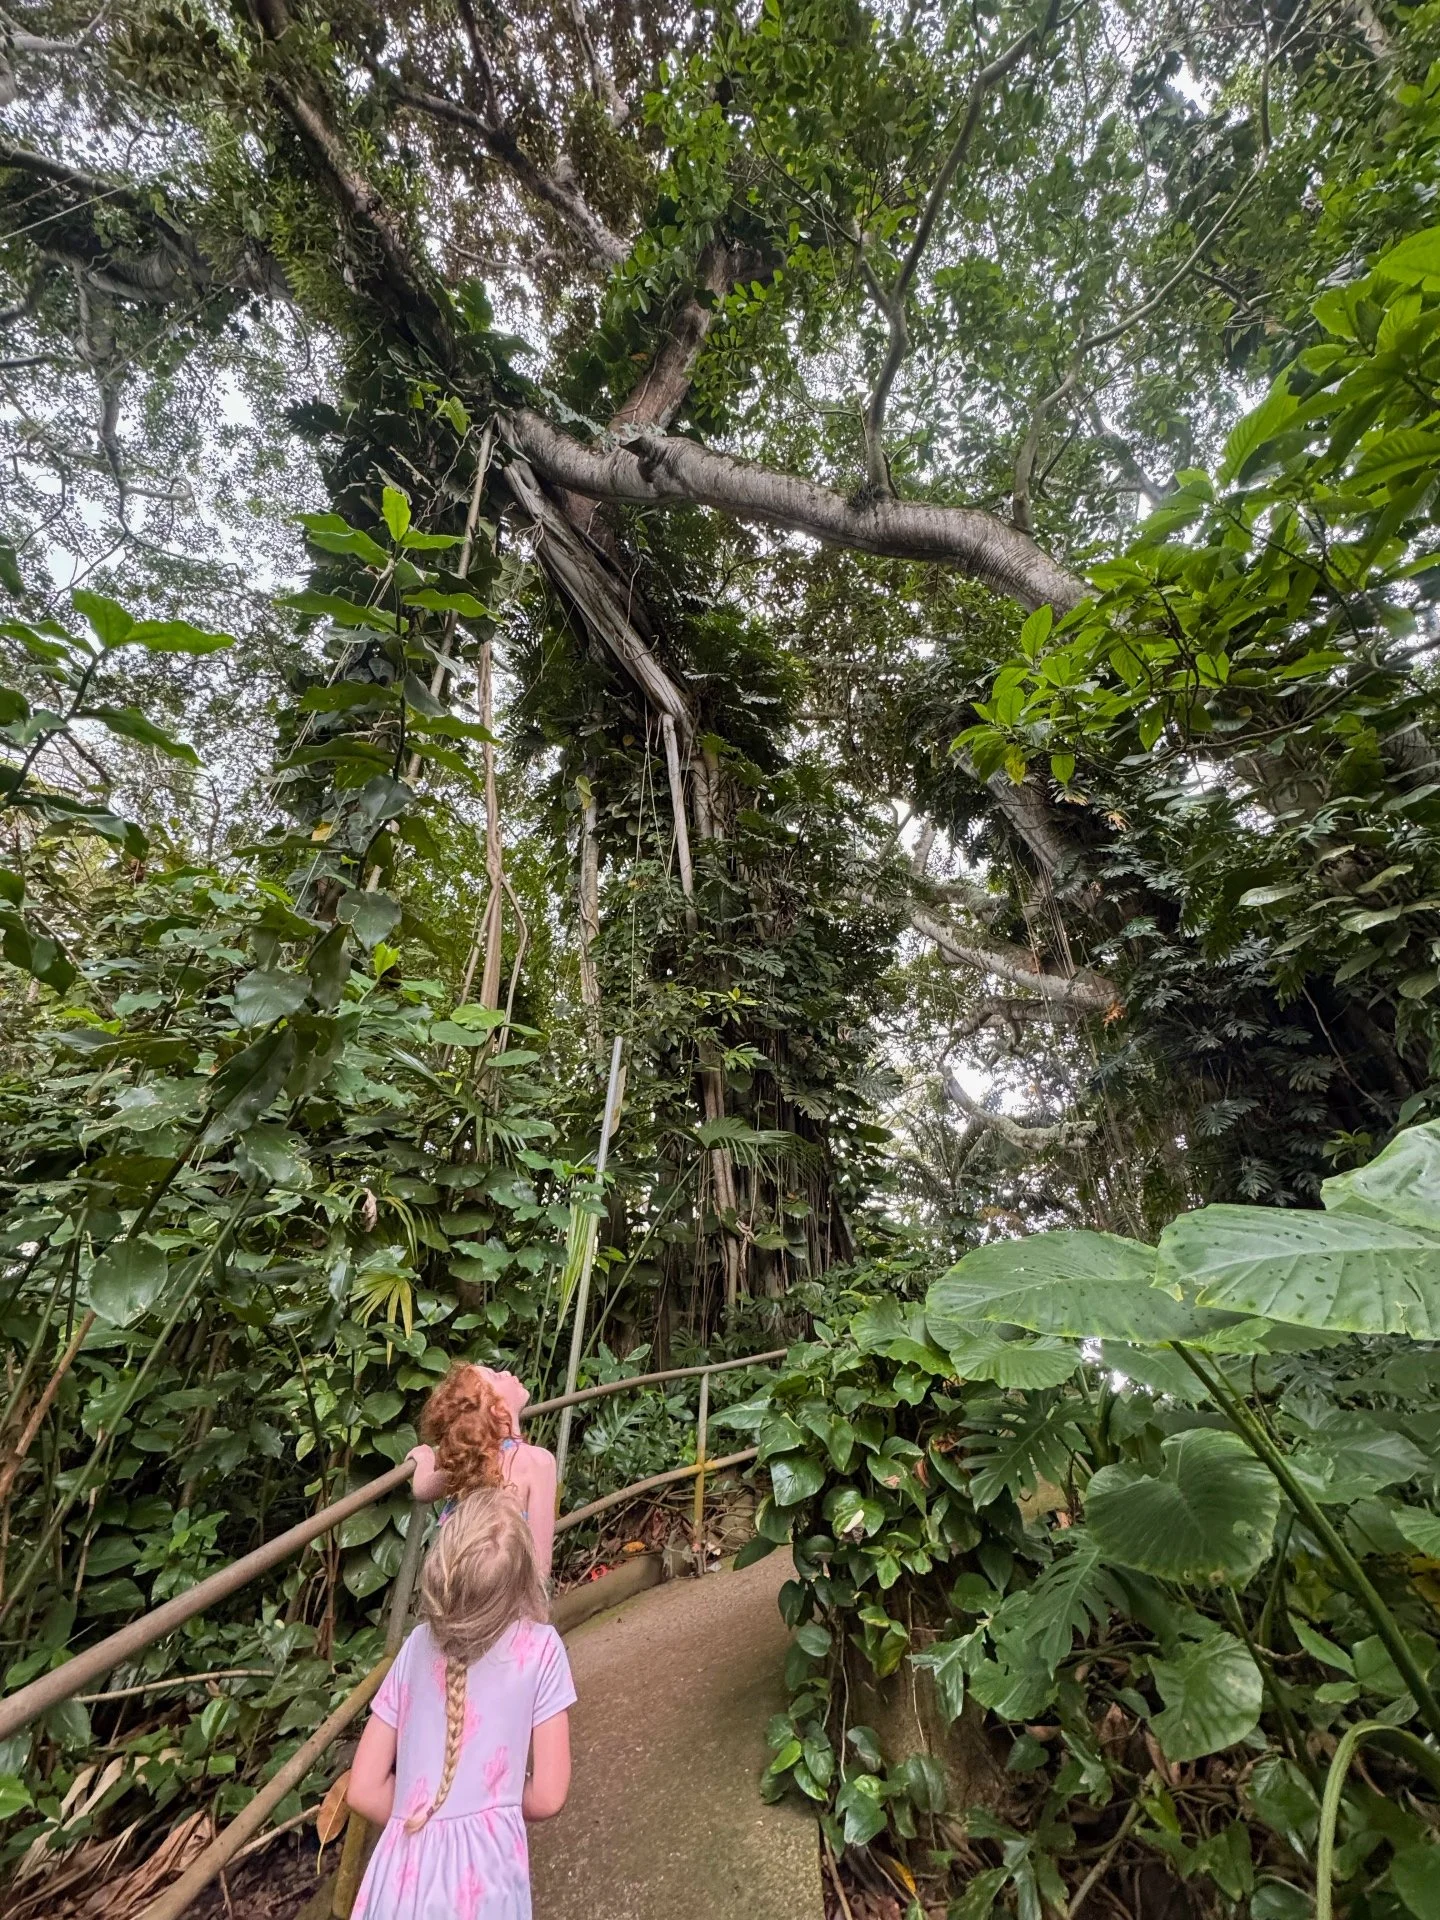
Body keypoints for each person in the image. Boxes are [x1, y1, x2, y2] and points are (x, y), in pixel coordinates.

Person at [346, 1490, 576, 1920]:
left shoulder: (416, 1647)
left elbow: (362, 1789)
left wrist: (426, 1815)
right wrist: (494, 1806)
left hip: (399, 1882)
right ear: (526, 1577)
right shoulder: (540, 1650)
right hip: (483, 1885)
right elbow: (547, 1796)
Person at [406, 1365, 557, 1578]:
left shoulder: (469, 1461)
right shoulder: (539, 1462)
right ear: (496, 1409)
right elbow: (541, 1564)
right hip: (510, 1596)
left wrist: (424, 1458)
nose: (505, 1372)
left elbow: (422, 1490)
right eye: (496, 1376)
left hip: (461, 1591)